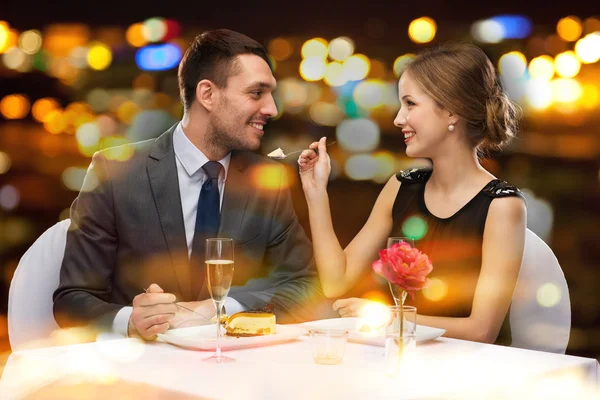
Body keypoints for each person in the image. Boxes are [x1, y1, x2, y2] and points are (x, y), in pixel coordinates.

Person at [53, 29, 324, 341]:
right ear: (207, 94)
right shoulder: (115, 173)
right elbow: (71, 300)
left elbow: (305, 285)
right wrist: (131, 320)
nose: (271, 109)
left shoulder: (268, 179)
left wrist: (219, 309)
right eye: (256, 93)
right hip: (140, 374)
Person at [298, 42, 527, 345]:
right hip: (397, 362)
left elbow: (481, 331)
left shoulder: (502, 206)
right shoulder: (401, 187)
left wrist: (388, 317)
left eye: (410, 104)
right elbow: (335, 282)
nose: (397, 118)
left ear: (451, 111)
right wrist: (316, 194)